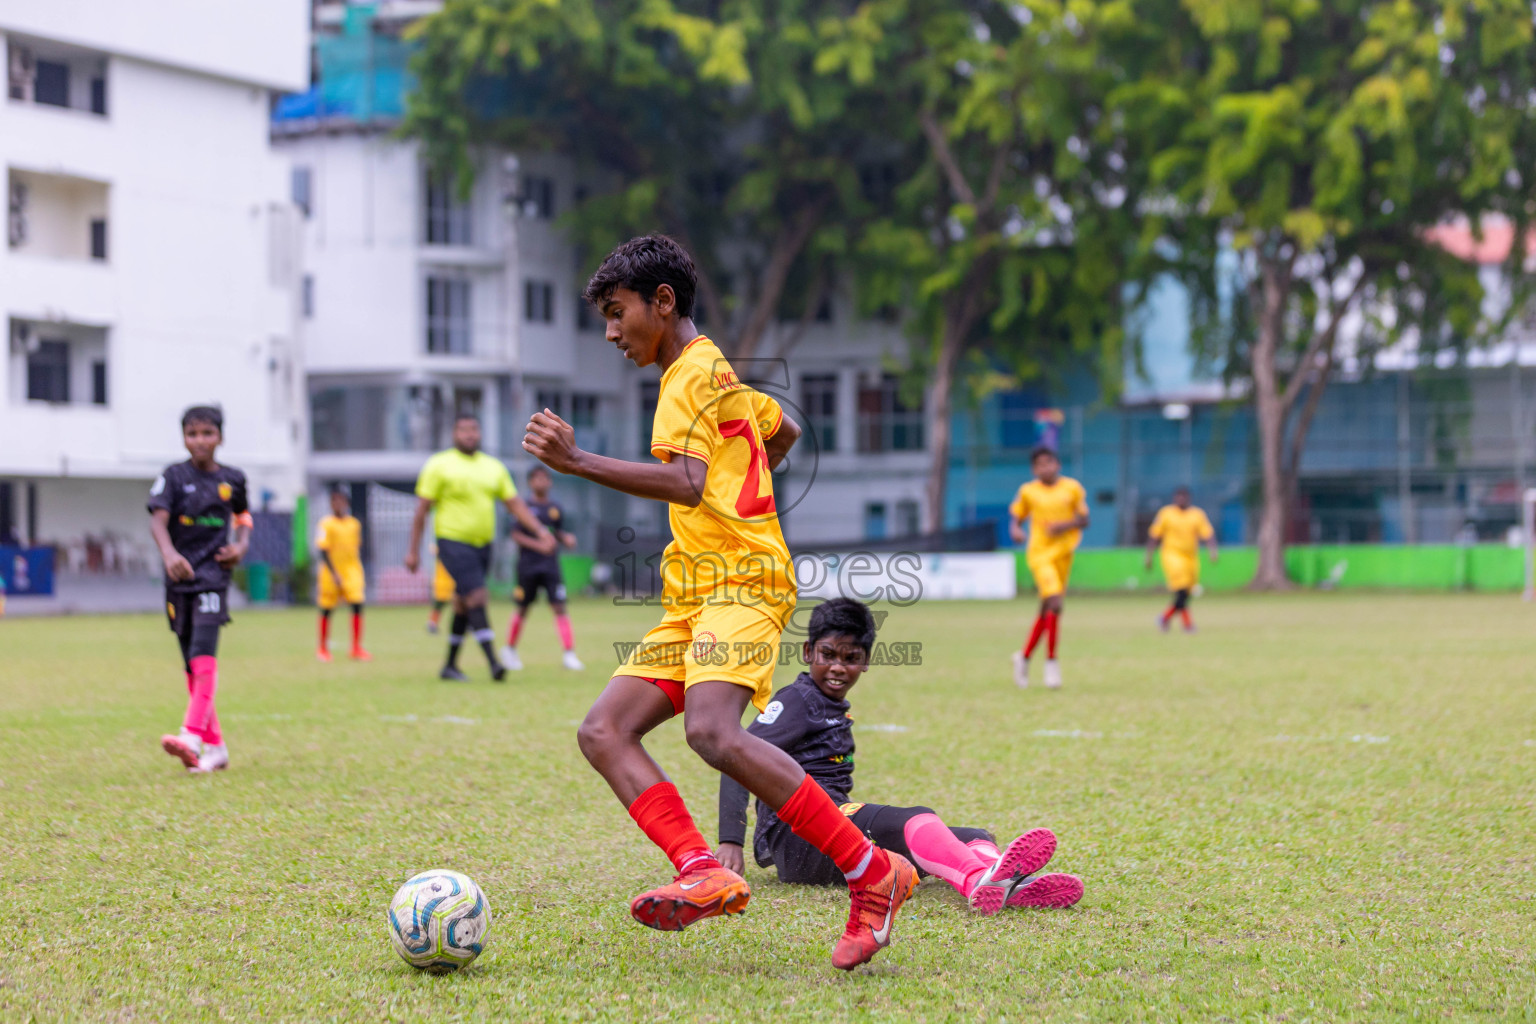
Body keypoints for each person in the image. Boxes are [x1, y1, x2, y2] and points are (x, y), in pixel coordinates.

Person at [523, 235, 919, 971]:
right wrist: (748, 487)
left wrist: (575, 462)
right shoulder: (718, 373)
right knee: (605, 731)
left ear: (662, 302)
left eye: (617, 314)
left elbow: (684, 482)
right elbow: (785, 429)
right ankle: (702, 867)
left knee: (711, 730)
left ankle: (872, 874)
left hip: (740, 580)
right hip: (695, 591)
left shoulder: (685, 377)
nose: (611, 332)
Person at [717, 598, 1085, 914]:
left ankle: (1009, 885)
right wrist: (730, 840)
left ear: (865, 662)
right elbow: (737, 754)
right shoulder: (798, 699)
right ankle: (977, 879)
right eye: (827, 654)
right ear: (808, 652)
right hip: (799, 838)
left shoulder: (827, 703)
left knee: (972, 835)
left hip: (830, 835)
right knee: (916, 820)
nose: (838, 667)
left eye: (851, 658)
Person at [404, 415, 553, 683]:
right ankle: (494, 663)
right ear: (454, 433)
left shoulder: (493, 467)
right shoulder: (439, 465)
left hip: (483, 546)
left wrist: (541, 531)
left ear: (480, 433)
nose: (469, 434)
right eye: (463, 430)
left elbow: (515, 504)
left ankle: (449, 666)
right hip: (452, 542)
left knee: (463, 604)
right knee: (477, 597)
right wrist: (412, 550)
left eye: (473, 429)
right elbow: (421, 511)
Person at [147, 405, 251, 774]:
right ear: (184, 438)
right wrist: (169, 553)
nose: (200, 441)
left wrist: (241, 546)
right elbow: (157, 521)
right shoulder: (173, 477)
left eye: (207, 434)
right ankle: (217, 748)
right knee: (192, 664)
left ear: (220, 437)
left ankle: (191, 735)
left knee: (204, 656)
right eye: (193, 434)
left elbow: (243, 516)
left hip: (213, 577)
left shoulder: (233, 479)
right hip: (180, 580)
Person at [1009, 446, 1089, 689]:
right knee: (1055, 602)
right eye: (1040, 464)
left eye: (1049, 463)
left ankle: (1023, 658)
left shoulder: (1072, 488)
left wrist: (1063, 526)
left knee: (1046, 610)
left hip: (1064, 554)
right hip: (1040, 554)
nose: (1046, 468)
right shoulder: (1028, 491)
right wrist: (1015, 528)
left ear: (1058, 465)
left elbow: (1084, 520)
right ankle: (1051, 664)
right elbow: (1017, 516)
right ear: (1035, 469)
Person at [501, 465, 583, 671]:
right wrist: (539, 545)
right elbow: (516, 535)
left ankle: (569, 654)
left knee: (559, 606)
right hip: (527, 566)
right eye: (537, 479)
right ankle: (510, 649)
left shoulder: (555, 508)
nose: (541, 482)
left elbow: (556, 533)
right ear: (530, 482)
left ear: (550, 482)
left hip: (550, 566)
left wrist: (566, 538)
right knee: (523, 607)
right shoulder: (523, 507)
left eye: (545, 478)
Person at [1145, 487, 1218, 633]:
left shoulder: (1197, 514)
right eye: (1179, 497)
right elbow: (1155, 535)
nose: (1181, 500)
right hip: (1172, 555)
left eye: (1184, 497)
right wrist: (1149, 555)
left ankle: (1164, 618)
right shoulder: (1166, 513)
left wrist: (1213, 551)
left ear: (1188, 498)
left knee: (1187, 593)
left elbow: (1208, 534)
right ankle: (1187, 625)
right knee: (1182, 591)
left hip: (1191, 557)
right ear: (1174, 498)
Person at [315, 486, 370, 662]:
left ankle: (356, 648)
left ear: (346, 503)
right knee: (327, 609)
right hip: (331, 571)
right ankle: (322, 648)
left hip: (352, 570)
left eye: (341, 500)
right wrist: (334, 572)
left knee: (357, 605)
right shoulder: (325, 524)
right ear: (331, 504)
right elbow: (322, 550)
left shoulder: (354, 524)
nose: (338, 504)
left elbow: (357, 547)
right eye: (334, 501)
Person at [426, 544, 455, 634]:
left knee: (462, 603)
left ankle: (467, 624)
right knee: (439, 604)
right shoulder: (442, 550)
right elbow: (432, 549)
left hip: (453, 580)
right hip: (442, 581)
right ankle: (432, 624)